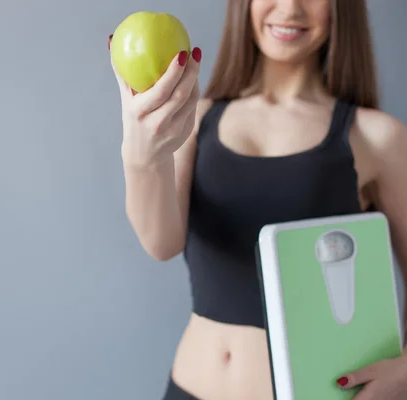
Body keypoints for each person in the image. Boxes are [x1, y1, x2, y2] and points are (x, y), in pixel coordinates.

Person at [108, 0, 407, 399]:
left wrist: (404, 371)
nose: (289, 8)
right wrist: (141, 153)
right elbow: (160, 243)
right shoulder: (195, 121)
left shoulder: (375, 137)